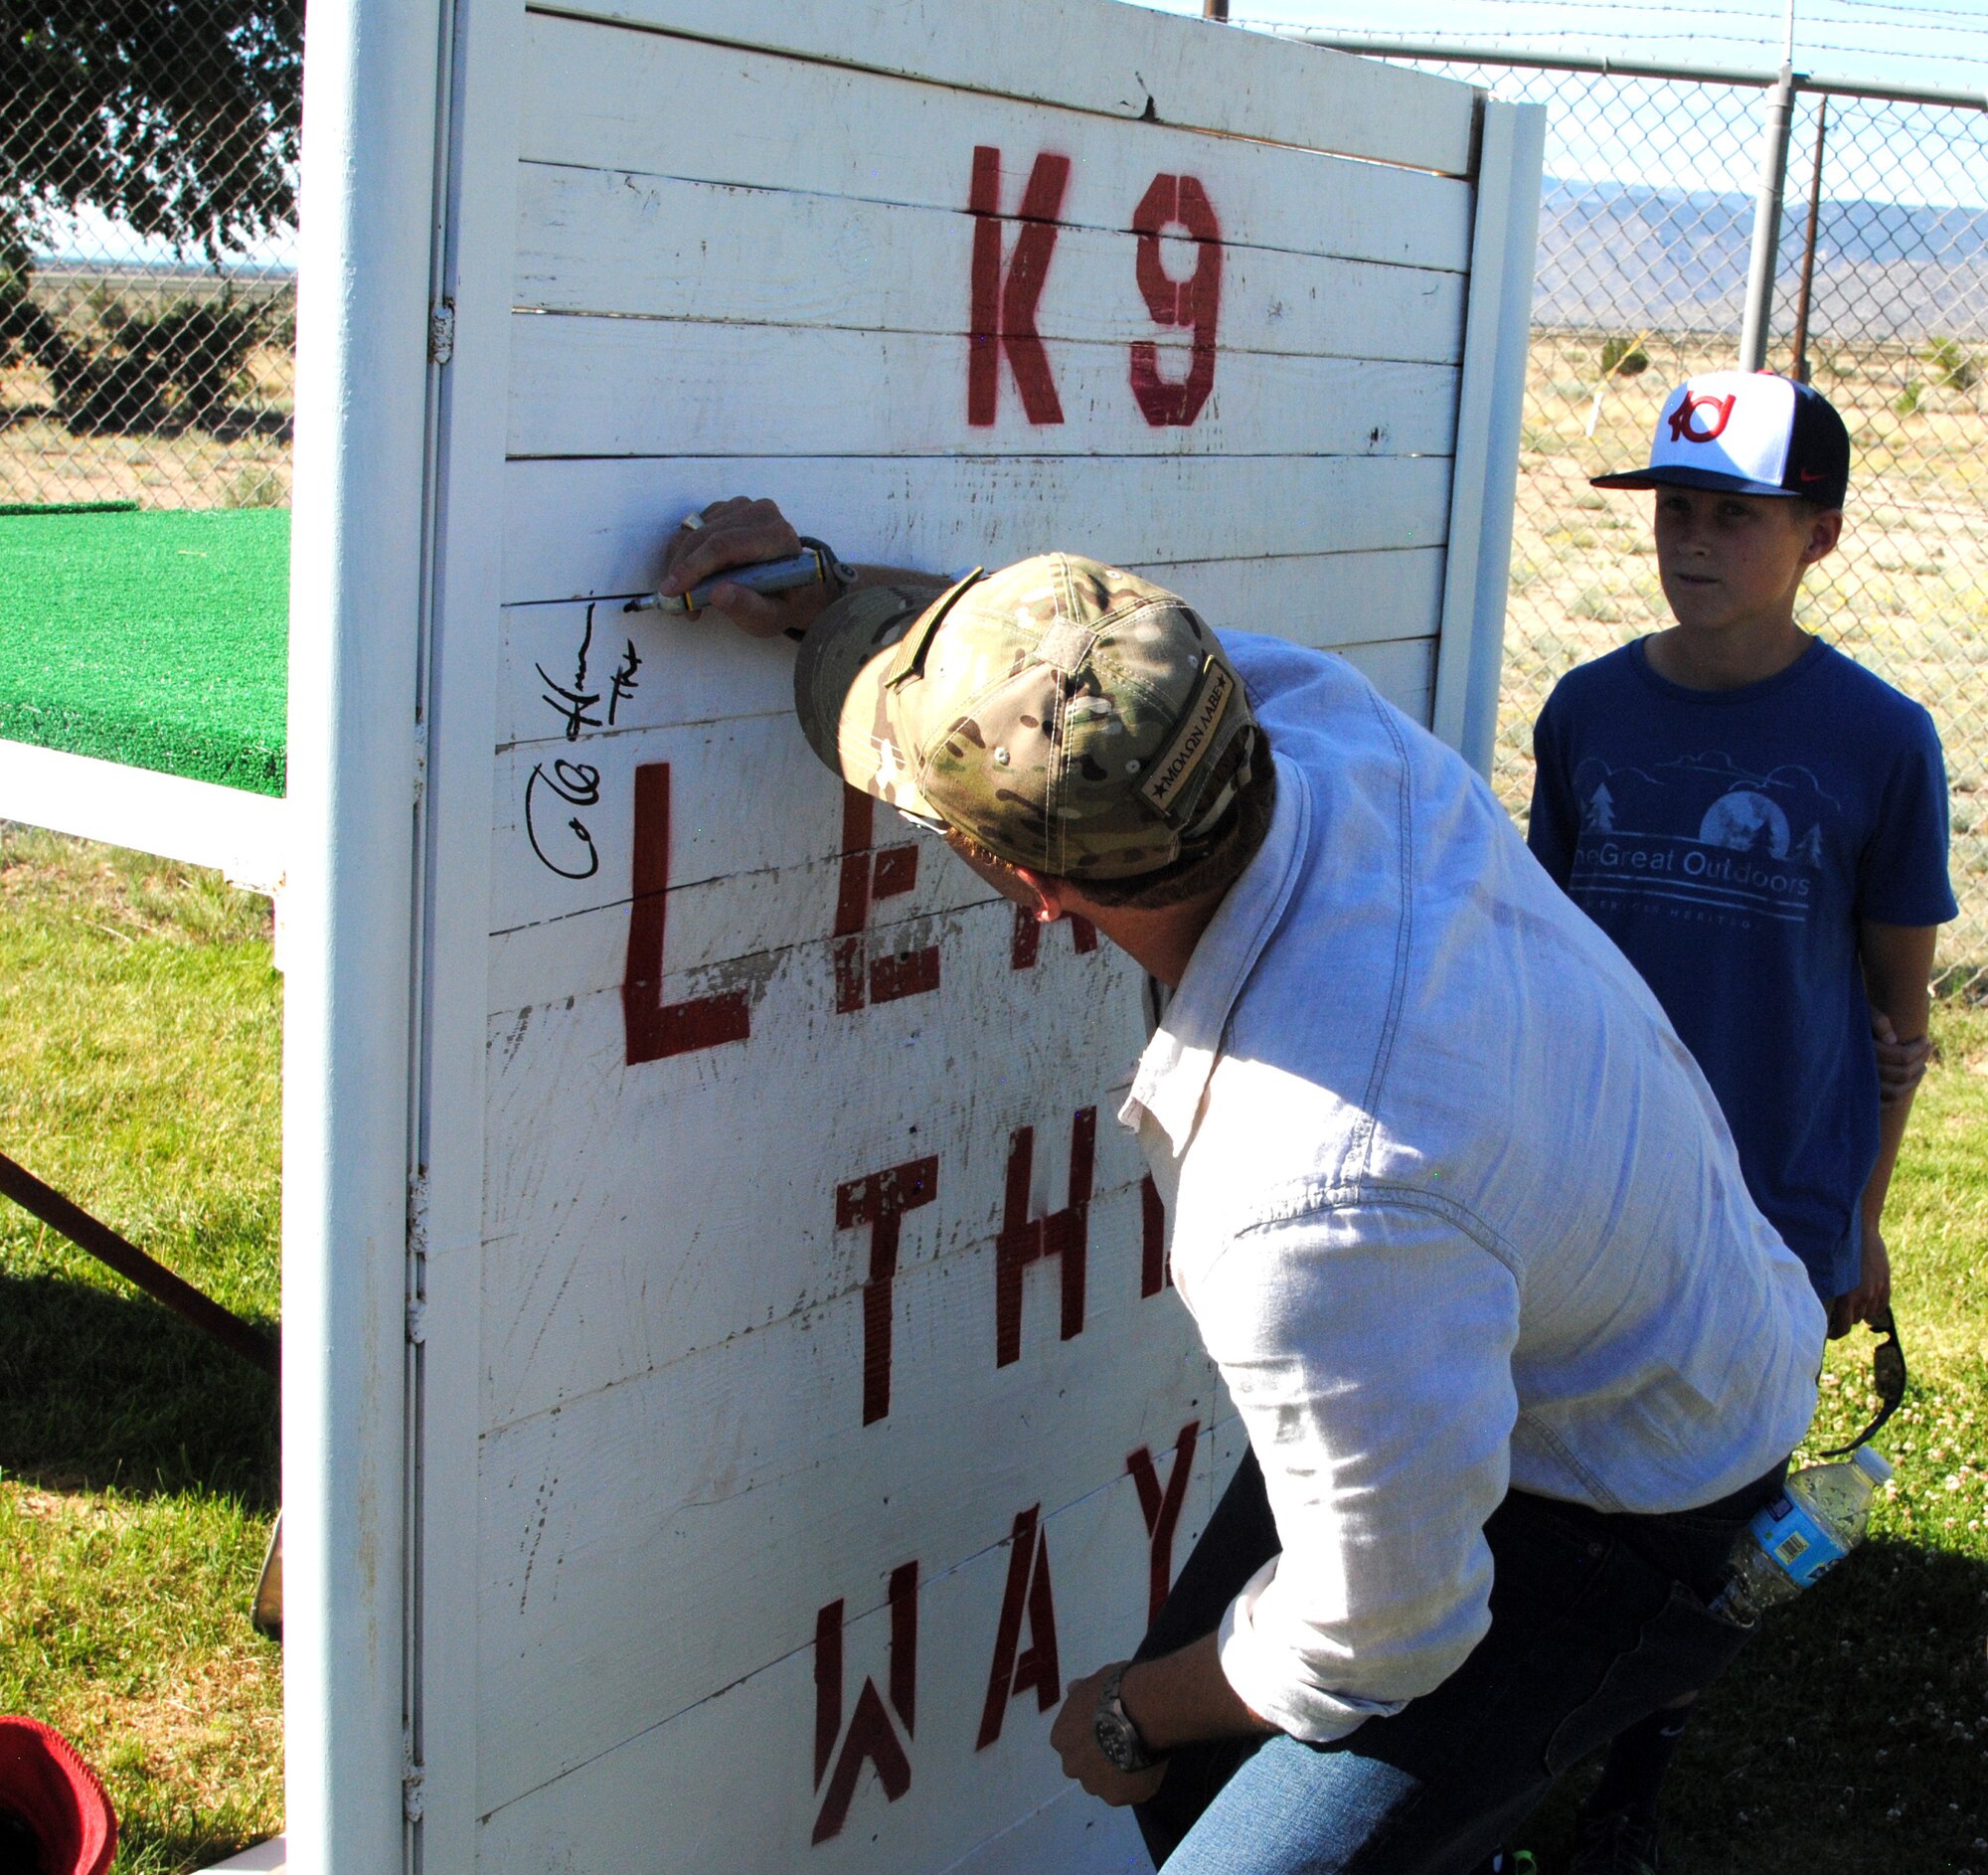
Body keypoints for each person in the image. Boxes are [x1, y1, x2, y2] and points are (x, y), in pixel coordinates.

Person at [659, 498, 1826, 1875]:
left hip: (1637, 1486)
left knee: (1202, 1770)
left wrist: (1126, 1707)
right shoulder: (1313, 722)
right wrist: (827, 595)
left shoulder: (1307, 1192)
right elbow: (1078, 673)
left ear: (1024, 884)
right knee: (1211, 1754)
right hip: (1548, 1316)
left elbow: (1386, 1627)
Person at [1528, 373, 1956, 1871]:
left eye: (1736, 515)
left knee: (1713, 1521)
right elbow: (1551, 957)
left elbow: (1901, 1024)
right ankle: (1494, 1752)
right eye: (1677, 511)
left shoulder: (1880, 740)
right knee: (1549, 1475)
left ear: (1821, 536)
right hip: (1588, 1177)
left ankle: (1634, 1786)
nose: (1692, 542)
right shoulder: (1586, 713)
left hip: (1771, 1199)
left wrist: (1859, 1217)